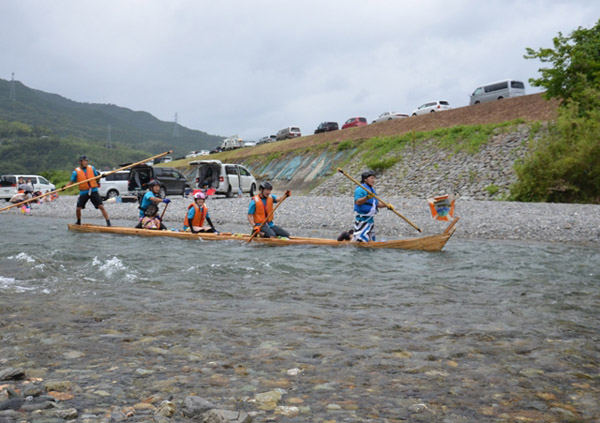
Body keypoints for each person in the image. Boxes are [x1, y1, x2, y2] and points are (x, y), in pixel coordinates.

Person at [64, 155, 111, 226]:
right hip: (84, 192)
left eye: (86, 161)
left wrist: (101, 176)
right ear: (80, 162)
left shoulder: (92, 168)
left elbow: (97, 177)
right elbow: (71, 182)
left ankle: (108, 222)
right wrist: (65, 187)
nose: (86, 162)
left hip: (93, 190)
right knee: (78, 208)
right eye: (84, 161)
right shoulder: (76, 171)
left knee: (101, 206)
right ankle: (78, 221)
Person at [352, 170, 388, 242]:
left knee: (371, 239)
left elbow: (376, 204)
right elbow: (358, 202)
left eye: (373, 178)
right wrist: (367, 197)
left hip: (370, 220)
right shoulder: (360, 189)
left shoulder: (371, 190)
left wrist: (387, 205)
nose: (373, 180)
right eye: (371, 178)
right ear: (365, 179)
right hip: (362, 220)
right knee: (361, 239)